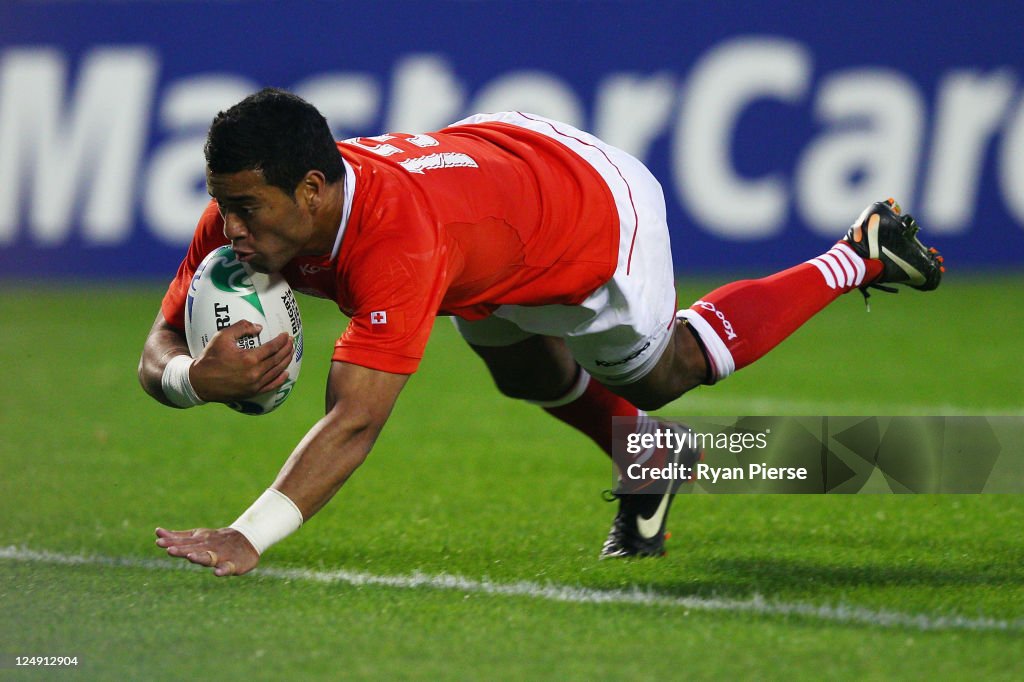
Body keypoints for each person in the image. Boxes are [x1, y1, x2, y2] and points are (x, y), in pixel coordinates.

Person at [139, 88, 944, 577]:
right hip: (498, 183)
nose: (230, 225)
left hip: (588, 211)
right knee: (521, 373)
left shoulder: (397, 243)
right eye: (225, 203)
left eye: (248, 207)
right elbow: (160, 343)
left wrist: (248, 537)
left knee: (663, 373)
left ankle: (857, 255)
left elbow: (355, 420)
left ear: (312, 191)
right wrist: (187, 381)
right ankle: (651, 457)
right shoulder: (240, 217)